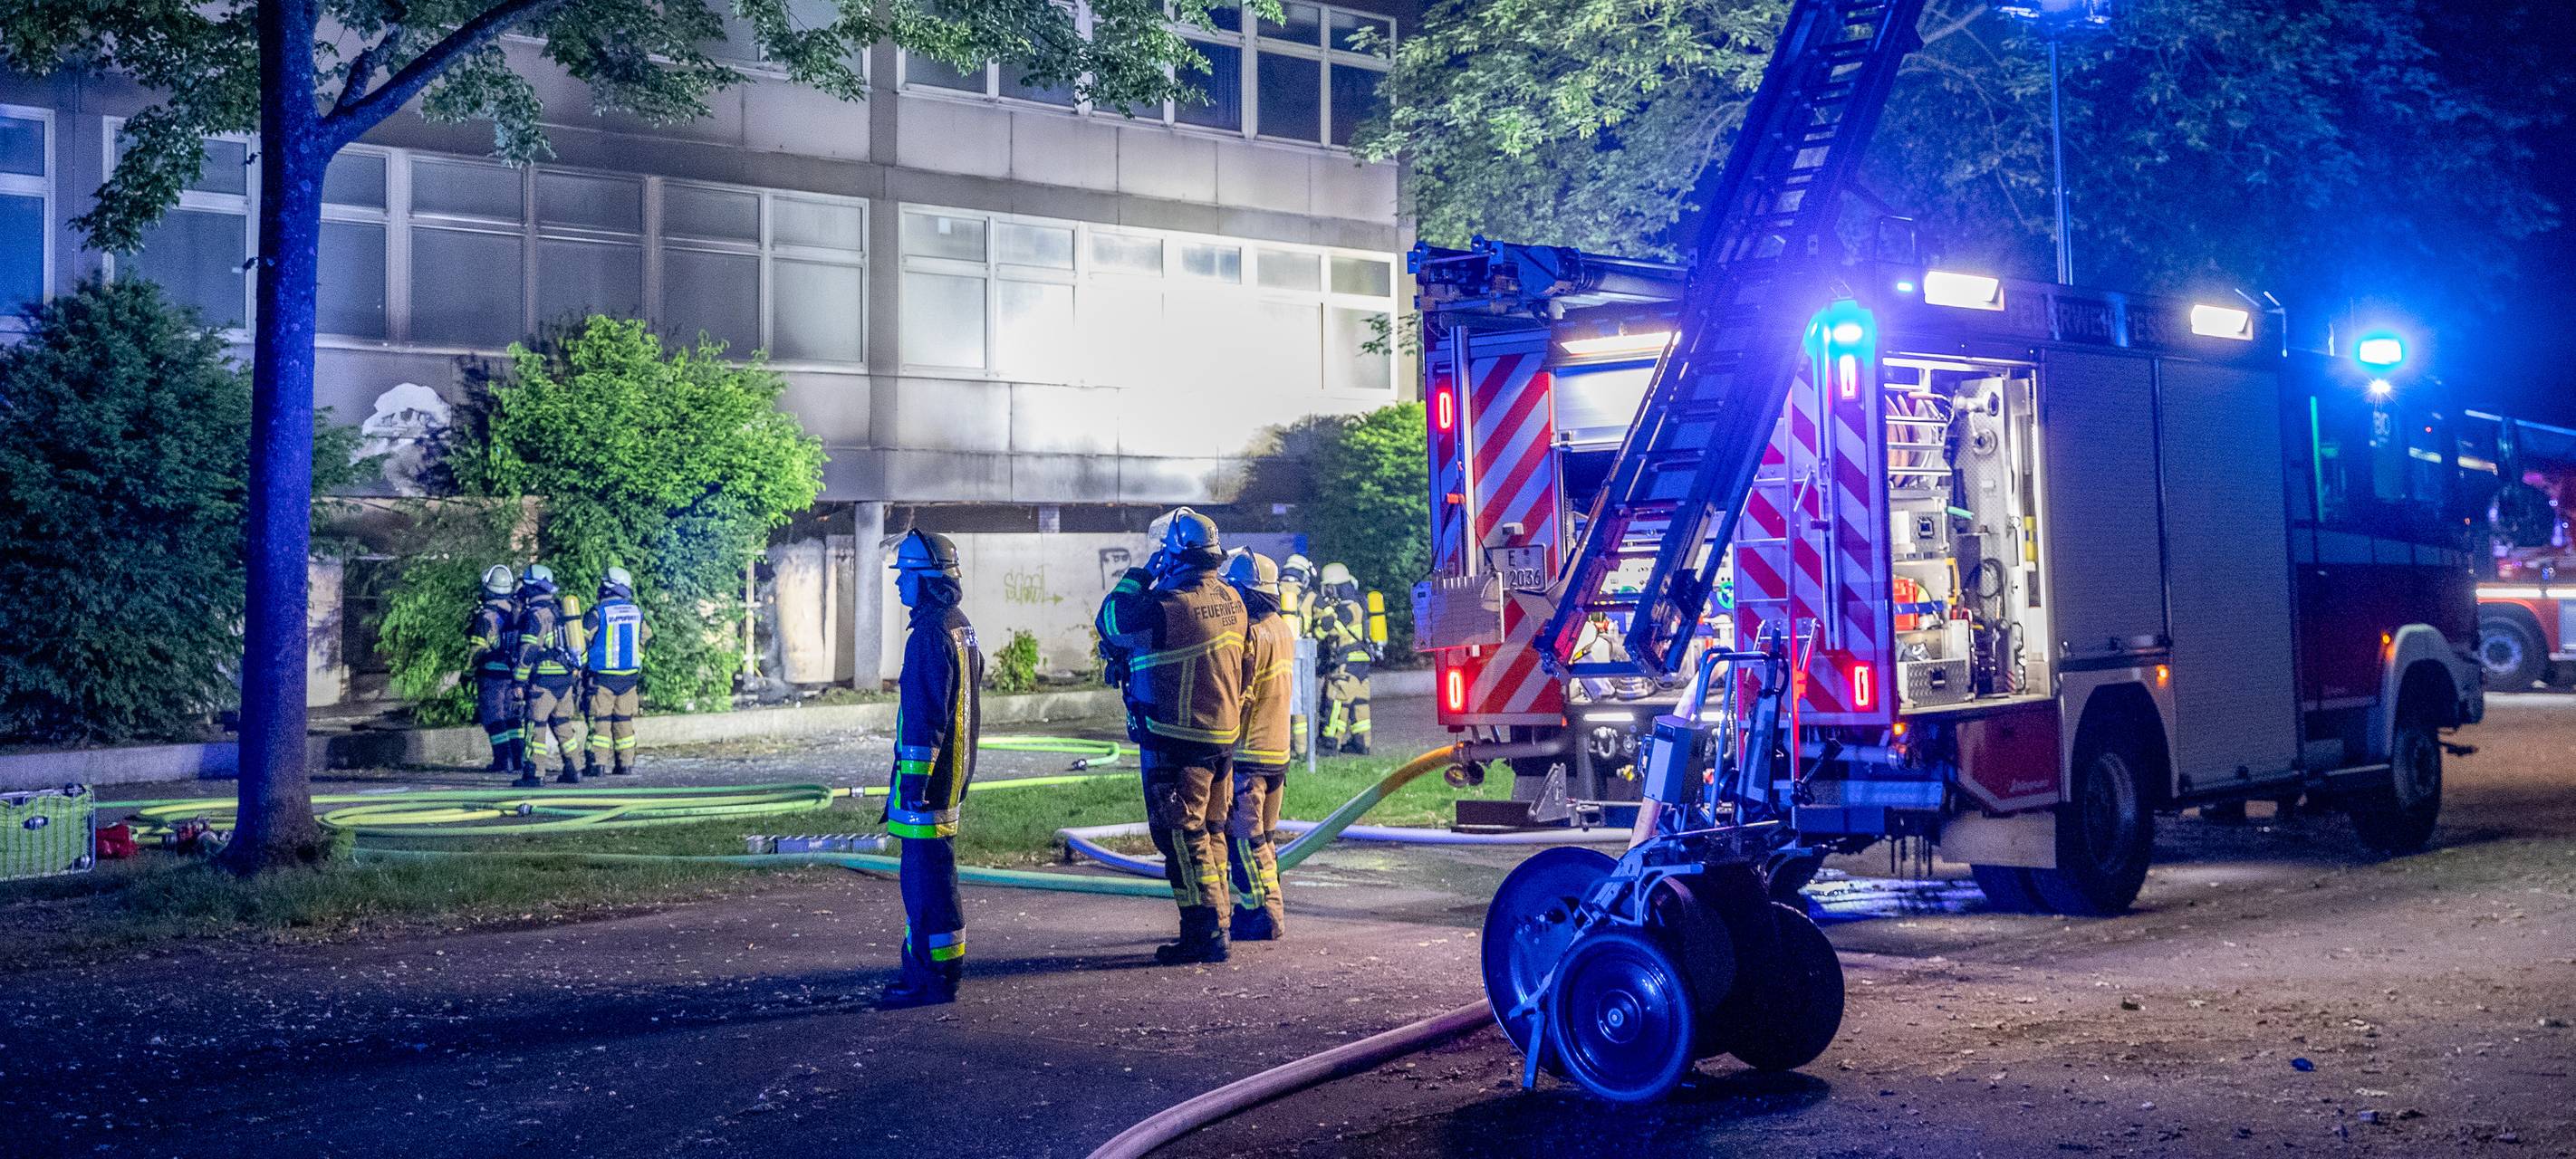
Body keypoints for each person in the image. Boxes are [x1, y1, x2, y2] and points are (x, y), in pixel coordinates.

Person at [1097, 507, 1249, 964]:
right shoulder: (1231, 599)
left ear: (1175, 555)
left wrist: (1140, 573)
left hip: (1178, 738)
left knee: (1183, 838)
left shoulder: (1171, 605)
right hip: (1220, 738)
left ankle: (1202, 935)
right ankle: (1219, 921)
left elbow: (1113, 622)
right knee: (1213, 832)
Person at [881, 530, 984, 1009]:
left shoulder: (928, 635)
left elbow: (925, 718)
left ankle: (931, 978)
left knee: (926, 886)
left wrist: (914, 785)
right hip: (952, 781)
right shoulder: (958, 625)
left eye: (905, 575)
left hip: (929, 788)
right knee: (936, 879)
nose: (900, 584)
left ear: (926, 580)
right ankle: (938, 970)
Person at [1223, 550, 1294, 941]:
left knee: (1246, 844)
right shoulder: (1282, 628)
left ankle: (1261, 913)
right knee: (1264, 840)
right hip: (1277, 754)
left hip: (1249, 754)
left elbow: (1241, 693)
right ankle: (1270, 908)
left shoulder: (1250, 633)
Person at [511, 564, 588, 786]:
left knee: (536, 726)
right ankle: (575, 769)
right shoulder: (559, 610)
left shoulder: (536, 615)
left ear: (533, 588)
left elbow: (528, 651)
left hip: (543, 681)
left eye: (526, 586)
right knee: (562, 724)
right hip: (565, 680)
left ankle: (534, 774)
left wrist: (519, 680)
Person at [581, 566, 653, 777]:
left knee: (600, 721)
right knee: (623, 722)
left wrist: (582, 666)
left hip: (602, 678)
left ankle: (597, 765)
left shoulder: (597, 613)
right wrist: (637, 657)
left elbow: (581, 641)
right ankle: (625, 764)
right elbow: (646, 635)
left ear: (607, 588)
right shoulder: (636, 612)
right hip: (629, 678)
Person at [467, 564, 524, 776]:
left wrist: (468, 669)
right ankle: (519, 759)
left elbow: (477, 648)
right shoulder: (516, 612)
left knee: (493, 717)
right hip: (513, 675)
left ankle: (502, 760)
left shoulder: (485, 616)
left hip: (491, 674)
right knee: (512, 717)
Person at [1314, 561, 1377, 756]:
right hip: (1361, 663)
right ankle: (1361, 742)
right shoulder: (1360, 604)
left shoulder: (1345, 610)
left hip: (1346, 663)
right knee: (1359, 704)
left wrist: (1320, 620)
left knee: (1336, 703)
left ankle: (1330, 743)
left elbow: (1327, 632)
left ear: (1335, 587)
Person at [1276, 553, 1318, 762]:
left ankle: (1281, 749)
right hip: (1301, 656)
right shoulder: (1309, 597)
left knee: (1278, 705)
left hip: (1276, 654)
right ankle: (1302, 751)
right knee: (1301, 704)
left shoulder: (1274, 591)